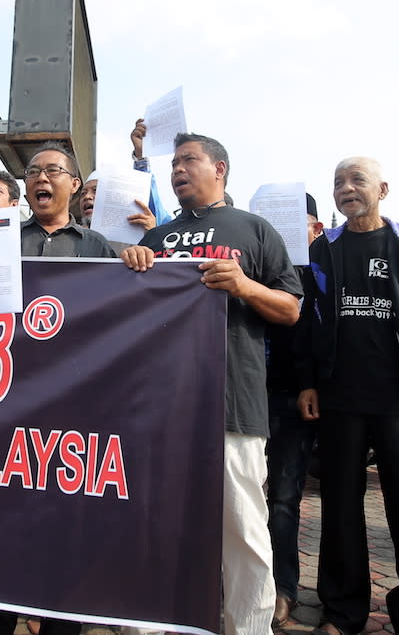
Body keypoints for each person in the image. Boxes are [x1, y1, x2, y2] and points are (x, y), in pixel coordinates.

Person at [121, 133, 301, 635]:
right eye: (174, 163)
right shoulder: (155, 239)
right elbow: (127, 318)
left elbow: (291, 309)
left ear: (219, 168)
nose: (178, 169)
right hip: (163, 406)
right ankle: (148, 625)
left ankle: (248, 627)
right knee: (155, 527)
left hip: (234, 403)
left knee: (243, 530)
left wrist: (243, 284)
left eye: (189, 160)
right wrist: (130, 264)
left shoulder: (254, 229)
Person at [295, 158, 399, 635]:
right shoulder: (324, 249)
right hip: (340, 400)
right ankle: (343, 612)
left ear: (382, 189)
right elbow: (311, 322)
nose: (346, 189)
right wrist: (309, 380)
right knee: (341, 508)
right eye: (338, 183)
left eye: (357, 181)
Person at [0, 142, 115, 635]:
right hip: (1, 411)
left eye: (54, 170)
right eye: (33, 171)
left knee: (64, 534)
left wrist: (138, 261)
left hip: (70, 421)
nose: (42, 178)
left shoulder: (99, 249)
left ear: (74, 185)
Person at [265, 193, 325, 628]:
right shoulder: (253, 264)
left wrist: (309, 384)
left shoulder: (320, 274)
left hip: (292, 399)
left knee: (283, 500)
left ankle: (283, 588)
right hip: (240, 397)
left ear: (315, 229)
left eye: (292, 222)